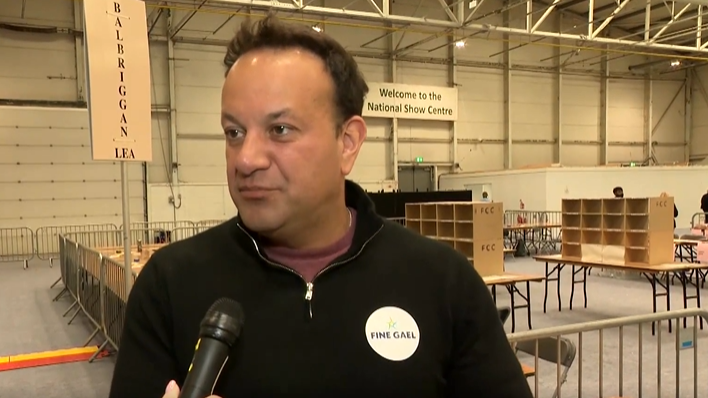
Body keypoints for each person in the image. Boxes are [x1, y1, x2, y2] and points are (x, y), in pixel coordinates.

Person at [108, 15, 532, 398]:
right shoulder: (169, 286)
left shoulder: (443, 282)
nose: (247, 158)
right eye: (234, 131)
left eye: (280, 129)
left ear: (347, 143)